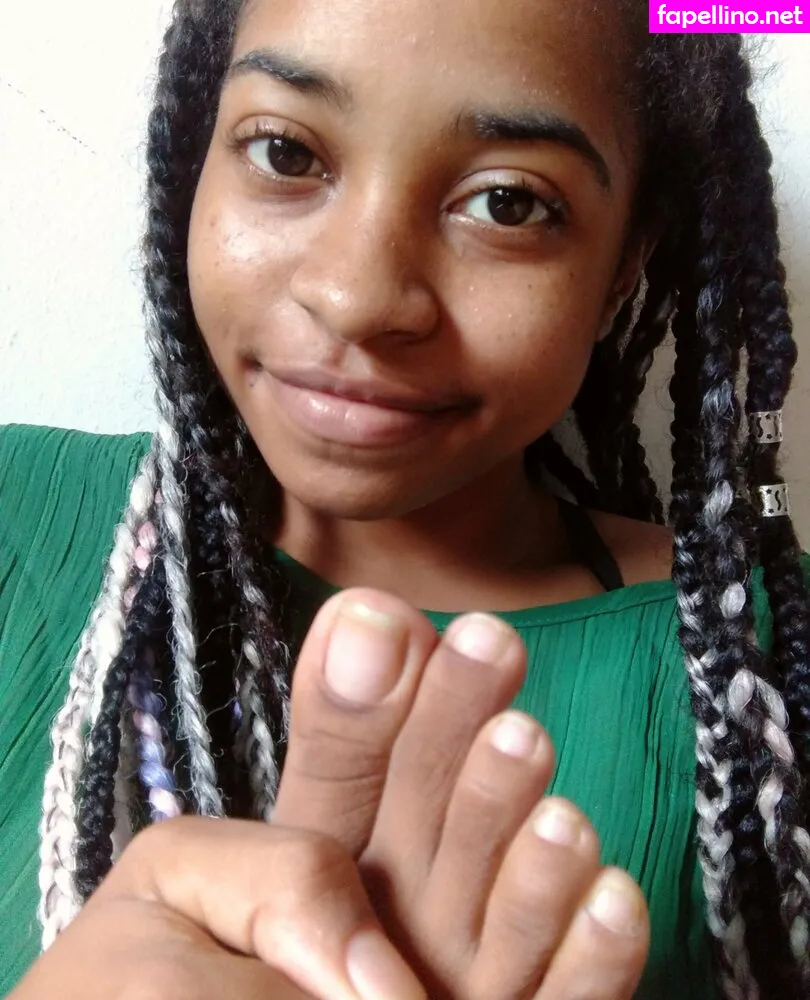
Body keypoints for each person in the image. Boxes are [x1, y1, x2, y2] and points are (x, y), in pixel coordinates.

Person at [1, 0, 809, 996]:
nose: (358, 297)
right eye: (287, 153)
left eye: (507, 202)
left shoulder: (770, 669)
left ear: (622, 266)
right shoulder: (17, 519)